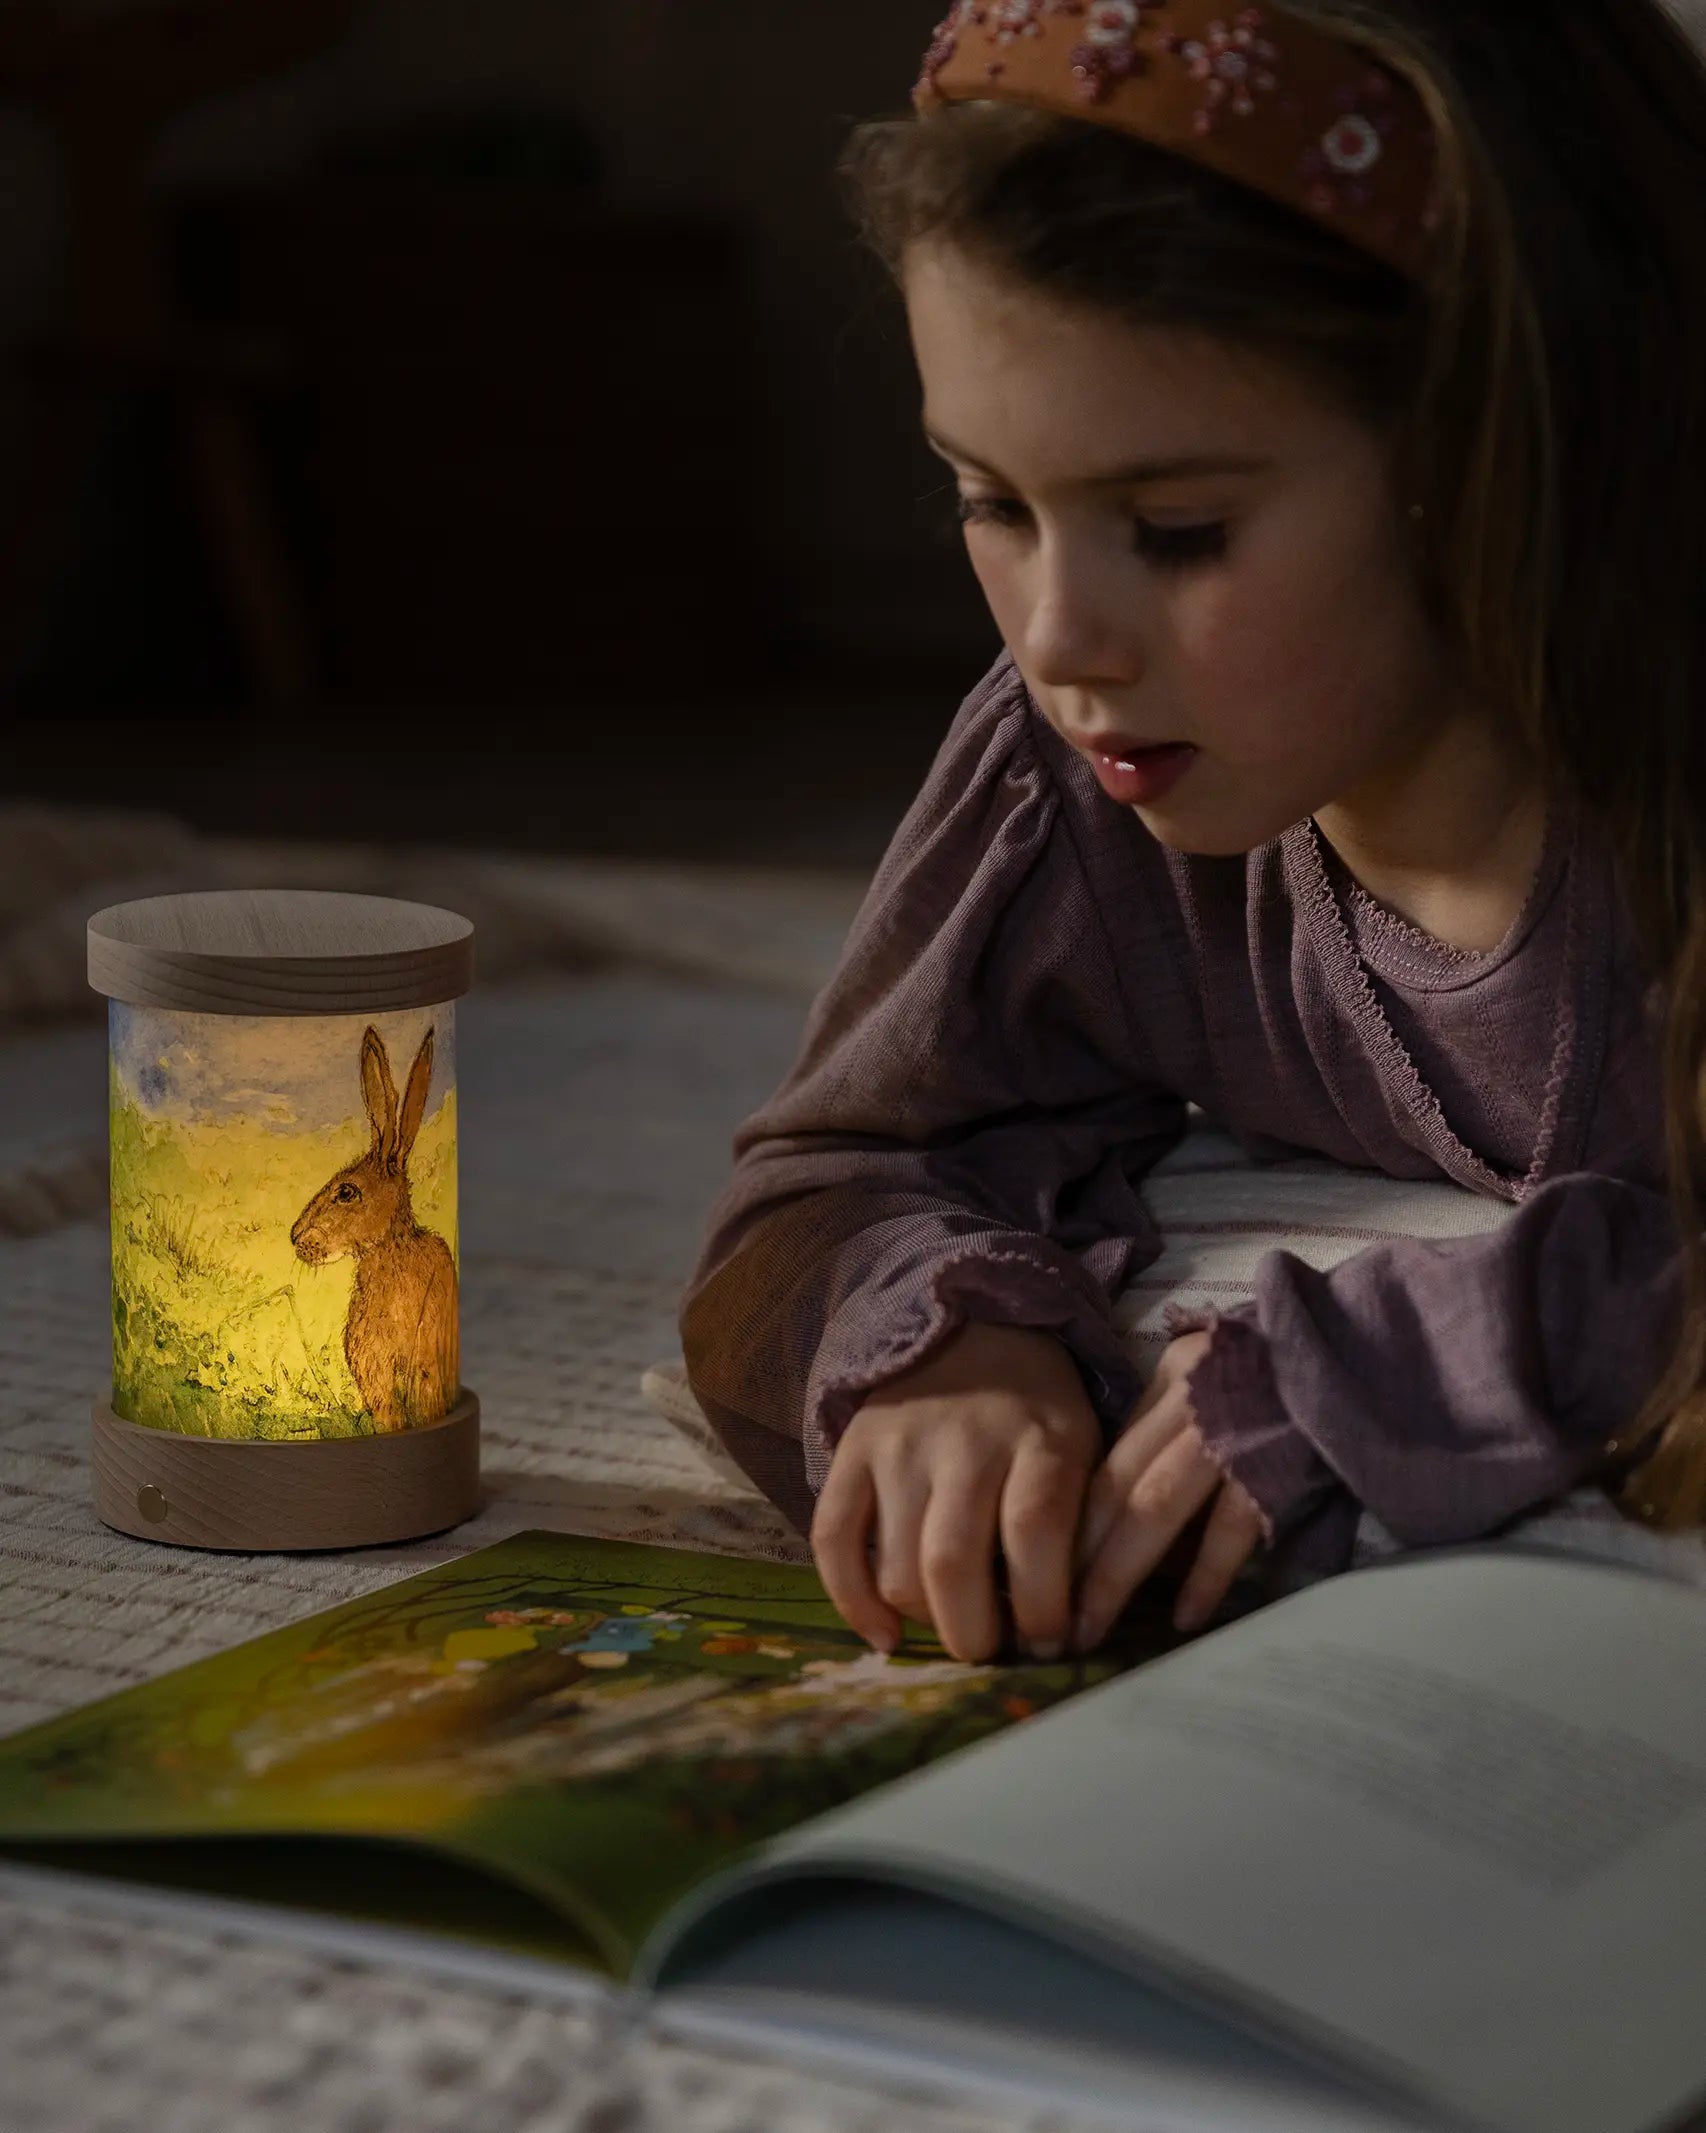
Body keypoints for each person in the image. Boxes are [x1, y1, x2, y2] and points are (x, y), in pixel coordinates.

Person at [681, 0, 1706, 1665]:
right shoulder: (1071, 770)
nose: (1059, 638)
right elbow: (830, 1171)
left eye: (1174, 529)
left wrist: (1423, 1353)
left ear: (1494, 452)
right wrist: (941, 1342)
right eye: (991, 503)